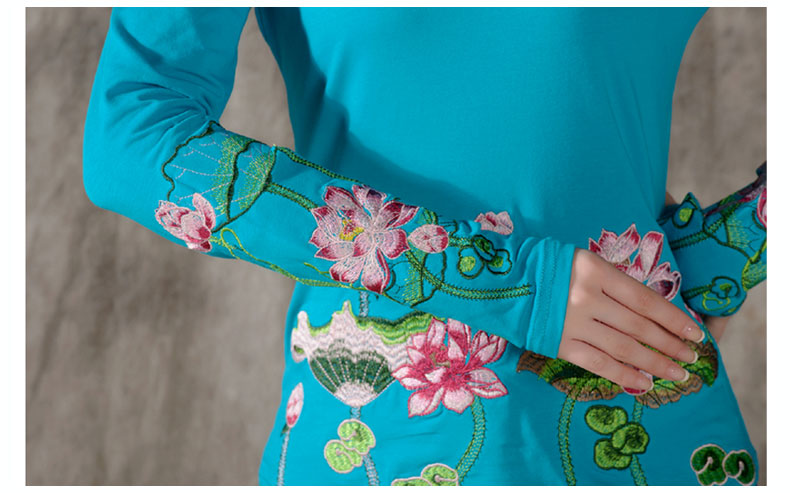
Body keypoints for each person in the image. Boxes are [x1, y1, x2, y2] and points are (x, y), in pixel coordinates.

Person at [82, 6, 764, 486]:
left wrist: (719, 259)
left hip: (641, 439)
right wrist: (510, 285)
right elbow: (130, 137)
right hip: (381, 443)